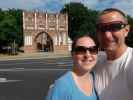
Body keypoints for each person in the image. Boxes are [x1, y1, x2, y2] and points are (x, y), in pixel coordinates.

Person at [94, 8, 133, 100]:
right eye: (101, 28)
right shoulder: (95, 63)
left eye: (115, 27)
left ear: (126, 30)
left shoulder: (130, 61)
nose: (107, 35)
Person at [46, 34, 99, 100]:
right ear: (72, 54)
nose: (87, 55)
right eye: (81, 50)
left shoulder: (97, 80)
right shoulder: (61, 86)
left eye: (92, 50)